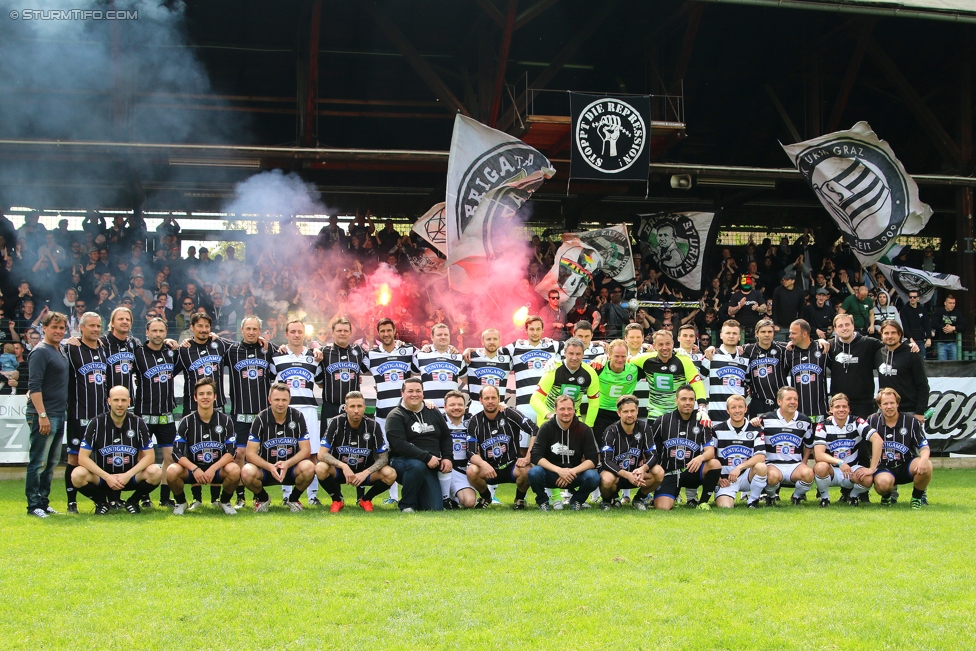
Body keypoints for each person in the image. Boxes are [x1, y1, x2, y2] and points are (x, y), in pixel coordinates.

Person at [70, 386, 161, 514]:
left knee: (156, 472)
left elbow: (150, 457)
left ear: (129, 401)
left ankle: (133, 501)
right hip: (103, 478)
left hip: (130, 477)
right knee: (77, 474)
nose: (120, 404)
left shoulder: (138, 423)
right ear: (109, 401)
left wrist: (127, 475)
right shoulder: (96, 423)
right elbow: (82, 458)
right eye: (116, 400)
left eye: (123, 400)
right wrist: (107, 477)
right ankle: (101, 503)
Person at [223, 315, 276, 508]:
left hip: (262, 417)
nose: (252, 332)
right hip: (240, 414)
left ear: (259, 331)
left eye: (255, 329)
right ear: (242, 330)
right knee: (239, 454)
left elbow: (286, 351)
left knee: (258, 455)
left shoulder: (267, 349)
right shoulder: (232, 351)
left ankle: (257, 495)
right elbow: (211, 342)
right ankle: (240, 496)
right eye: (248, 329)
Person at [167, 377, 239, 515]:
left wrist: (212, 469)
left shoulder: (225, 421)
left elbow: (232, 452)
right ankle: (181, 502)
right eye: (201, 394)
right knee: (171, 470)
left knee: (234, 469)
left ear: (215, 397)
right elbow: (176, 452)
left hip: (217, 470)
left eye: (208, 393)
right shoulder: (186, 422)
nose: (205, 397)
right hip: (194, 470)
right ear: (195, 397)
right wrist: (195, 469)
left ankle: (224, 501)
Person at [315, 391, 395, 513]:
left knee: (390, 474)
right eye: (352, 406)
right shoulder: (335, 423)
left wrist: (366, 472)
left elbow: (383, 458)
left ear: (364, 407)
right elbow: (321, 454)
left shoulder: (374, 426)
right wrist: (343, 466)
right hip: (340, 472)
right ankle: (337, 500)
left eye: (359, 406)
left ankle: (366, 499)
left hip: (365, 472)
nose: (356, 410)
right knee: (320, 468)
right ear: (346, 408)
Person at [241, 382, 315, 512]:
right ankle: (263, 498)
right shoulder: (260, 418)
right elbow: (250, 453)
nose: (280, 403)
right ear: (270, 400)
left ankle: (293, 499)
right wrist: (269, 466)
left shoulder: (298, 416)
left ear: (289, 400)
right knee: (246, 471)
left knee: (309, 467)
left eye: (284, 400)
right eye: (276, 400)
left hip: (291, 468)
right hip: (266, 469)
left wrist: (287, 463)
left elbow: (306, 450)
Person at [62, 311, 109, 513]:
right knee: (74, 459)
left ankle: (105, 500)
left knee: (102, 459)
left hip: (102, 418)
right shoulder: (71, 348)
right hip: (78, 416)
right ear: (81, 327)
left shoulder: (104, 348)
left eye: (98, 326)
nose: (96, 329)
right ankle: (72, 503)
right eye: (92, 326)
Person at [384, 377, 453, 512]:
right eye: (410, 391)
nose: (414, 394)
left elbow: (445, 436)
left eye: (418, 391)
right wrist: (427, 457)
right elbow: (399, 445)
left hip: (430, 464)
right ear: (402, 393)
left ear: (423, 393)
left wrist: (447, 457)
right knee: (416, 465)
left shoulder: (433, 411)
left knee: (434, 508)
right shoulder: (395, 416)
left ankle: (420, 498)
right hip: (402, 462)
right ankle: (407, 505)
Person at [24, 311, 69, 517]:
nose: (58, 331)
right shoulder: (40, 351)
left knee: (51, 463)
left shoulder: (60, 350)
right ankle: (33, 505)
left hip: (59, 413)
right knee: (38, 462)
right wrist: (42, 415)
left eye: (61, 328)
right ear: (44, 328)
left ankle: (43, 501)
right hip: (44, 414)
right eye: (54, 327)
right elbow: (34, 386)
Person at [649, 384, 722, 510]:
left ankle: (703, 502)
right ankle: (669, 495)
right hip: (668, 473)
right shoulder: (662, 421)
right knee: (662, 507)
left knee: (714, 463)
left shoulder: (701, 421)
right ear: (676, 400)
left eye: (691, 399)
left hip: (691, 471)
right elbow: (650, 448)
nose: (687, 403)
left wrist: (700, 458)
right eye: (683, 399)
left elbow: (710, 452)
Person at [272, 319, 321, 504]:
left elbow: (321, 381)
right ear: (286, 334)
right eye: (292, 331)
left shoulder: (315, 356)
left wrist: (318, 349)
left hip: (308, 409)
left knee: (312, 453)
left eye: (300, 331)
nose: (296, 335)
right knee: (286, 451)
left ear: (304, 334)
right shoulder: (277, 356)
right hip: (287, 410)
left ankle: (313, 496)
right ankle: (286, 495)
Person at [465, 384, 538, 509]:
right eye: (487, 398)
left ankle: (520, 499)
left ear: (499, 399)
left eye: (493, 398)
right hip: (489, 468)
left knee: (528, 470)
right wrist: (483, 464)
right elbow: (471, 452)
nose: (490, 401)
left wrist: (528, 457)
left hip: (511, 466)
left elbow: (534, 430)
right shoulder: (475, 421)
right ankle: (486, 497)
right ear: (481, 400)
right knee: (472, 471)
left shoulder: (510, 414)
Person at [132, 317, 179, 507]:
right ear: (147, 332)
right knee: (144, 458)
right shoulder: (137, 354)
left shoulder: (171, 353)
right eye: (154, 331)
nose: (158, 334)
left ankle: (165, 498)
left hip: (166, 415)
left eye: (161, 331)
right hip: (143, 415)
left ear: (166, 333)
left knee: (169, 457)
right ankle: (144, 497)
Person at [527, 394, 601, 511]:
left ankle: (577, 500)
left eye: (569, 409)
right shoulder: (546, 427)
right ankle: (543, 501)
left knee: (594, 477)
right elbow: (535, 456)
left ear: (574, 410)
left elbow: (593, 459)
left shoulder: (584, 429)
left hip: (574, 474)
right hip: (551, 473)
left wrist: (571, 471)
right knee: (534, 472)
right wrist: (559, 470)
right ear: (555, 410)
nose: (566, 412)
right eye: (562, 409)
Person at [812, 393, 881, 508]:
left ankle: (853, 496)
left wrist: (872, 468)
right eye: (837, 407)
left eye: (844, 406)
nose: (841, 409)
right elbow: (819, 455)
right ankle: (825, 498)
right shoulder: (823, 425)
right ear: (831, 409)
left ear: (849, 409)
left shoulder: (857, 422)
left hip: (851, 469)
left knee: (868, 478)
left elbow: (878, 441)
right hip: (832, 470)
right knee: (820, 467)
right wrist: (840, 462)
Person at [868, 388, 933, 509]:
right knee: (883, 484)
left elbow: (924, 445)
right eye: (885, 403)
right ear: (879, 405)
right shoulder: (872, 420)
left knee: (927, 465)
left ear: (897, 403)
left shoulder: (911, 421)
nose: (889, 406)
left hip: (906, 465)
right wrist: (832, 419)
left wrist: (924, 459)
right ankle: (886, 495)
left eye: (892, 403)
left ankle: (916, 498)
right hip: (883, 467)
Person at [598, 395, 662, 510]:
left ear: (637, 411)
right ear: (619, 413)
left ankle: (639, 499)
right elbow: (605, 461)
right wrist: (626, 474)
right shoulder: (610, 431)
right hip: (616, 474)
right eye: (625, 411)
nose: (629, 415)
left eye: (632, 411)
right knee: (607, 479)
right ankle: (608, 501)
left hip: (636, 473)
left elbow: (653, 454)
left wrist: (642, 469)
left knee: (659, 472)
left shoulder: (644, 427)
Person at [754, 386, 815, 506]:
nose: (793, 402)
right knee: (771, 477)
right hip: (772, 464)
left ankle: (797, 496)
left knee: (809, 474)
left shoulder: (805, 421)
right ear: (779, 401)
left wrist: (804, 462)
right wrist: (752, 422)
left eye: (795, 399)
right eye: (789, 399)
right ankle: (771, 496)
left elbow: (808, 444)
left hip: (794, 465)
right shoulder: (765, 419)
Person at [500, 316, 563, 430]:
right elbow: (492, 351)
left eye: (538, 329)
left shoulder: (553, 345)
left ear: (543, 330)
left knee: (548, 446)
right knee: (524, 447)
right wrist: (470, 350)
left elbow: (575, 347)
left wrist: (598, 342)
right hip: (525, 406)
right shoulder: (515, 347)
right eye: (531, 329)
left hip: (547, 406)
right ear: (526, 330)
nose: (535, 333)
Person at [530, 337, 601, 426]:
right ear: (564, 353)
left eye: (578, 354)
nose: (574, 357)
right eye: (571, 353)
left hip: (573, 417)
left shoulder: (590, 373)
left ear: (583, 354)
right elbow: (534, 399)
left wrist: (588, 426)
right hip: (549, 417)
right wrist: (550, 415)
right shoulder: (553, 369)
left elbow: (594, 403)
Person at [713, 395, 767, 508]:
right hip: (726, 479)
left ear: (746, 409)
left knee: (761, 467)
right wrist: (717, 478)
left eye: (740, 407)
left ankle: (753, 501)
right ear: (727, 410)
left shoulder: (756, 429)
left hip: (747, 476)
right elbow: (711, 456)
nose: (737, 410)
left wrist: (739, 468)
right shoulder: (717, 430)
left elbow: (761, 457)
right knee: (725, 507)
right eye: (733, 407)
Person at [876, 320, 930, 420]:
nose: (890, 336)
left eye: (893, 333)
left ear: (900, 334)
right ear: (881, 335)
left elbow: (923, 385)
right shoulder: (878, 353)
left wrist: (920, 411)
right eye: (886, 333)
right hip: (885, 410)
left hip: (908, 411)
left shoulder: (912, 354)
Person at [783, 319, 830, 422]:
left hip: (820, 410)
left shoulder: (822, 349)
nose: (790, 336)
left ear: (804, 334)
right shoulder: (788, 352)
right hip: (797, 412)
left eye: (793, 333)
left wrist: (820, 340)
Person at [701, 320, 748, 423]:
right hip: (716, 416)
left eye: (734, 333)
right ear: (721, 335)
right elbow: (697, 381)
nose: (731, 336)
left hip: (739, 416)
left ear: (739, 336)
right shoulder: (711, 356)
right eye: (728, 333)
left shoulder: (745, 358)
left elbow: (748, 384)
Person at [413, 322, 467, 409]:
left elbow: (469, 381)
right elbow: (409, 379)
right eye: (439, 334)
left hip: (452, 411)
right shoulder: (420, 356)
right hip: (429, 410)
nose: (443, 337)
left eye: (446, 334)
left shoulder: (458, 357)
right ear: (432, 337)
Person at [743, 319, 789, 418]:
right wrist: (712, 348)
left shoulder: (783, 348)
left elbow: (804, 345)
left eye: (770, 332)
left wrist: (820, 340)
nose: (767, 335)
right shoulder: (747, 350)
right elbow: (729, 348)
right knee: (759, 431)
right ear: (756, 333)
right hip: (758, 402)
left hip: (780, 401)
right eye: (763, 332)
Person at [463, 327, 512, 416]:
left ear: (499, 341)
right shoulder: (470, 357)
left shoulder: (507, 359)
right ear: (482, 341)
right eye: (488, 339)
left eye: (495, 339)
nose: (492, 342)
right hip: (477, 408)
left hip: (499, 407)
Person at [440, 390, 475, 509]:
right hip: (445, 468)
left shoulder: (473, 421)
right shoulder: (438, 421)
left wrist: (502, 406)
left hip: (466, 469)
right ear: (445, 407)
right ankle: (445, 497)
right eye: (452, 405)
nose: (456, 408)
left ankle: (452, 497)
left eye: (460, 405)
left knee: (470, 502)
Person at [932, 294, 964, 361]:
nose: (952, 305)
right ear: (945, 303)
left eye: (953, 303)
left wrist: (953, 328)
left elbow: (964, 326)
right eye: (950, 303)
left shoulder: (957, 313)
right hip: (941, 342)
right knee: (942, 365)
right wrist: (944, 327)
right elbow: (933, 323)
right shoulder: (939, 311)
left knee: (953, 365)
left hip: (953, 342)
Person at [899, 290, 930, 356]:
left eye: (914, 297)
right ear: (908, 298)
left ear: (918, 298)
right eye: (910, 297)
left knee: (922, 361)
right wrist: (910, 339)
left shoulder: (922, 309)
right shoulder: (904, 309)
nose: (912, 299)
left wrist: (929, 338)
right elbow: (905, 325)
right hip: (909, 341)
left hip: (921, 340)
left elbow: (927, 324)